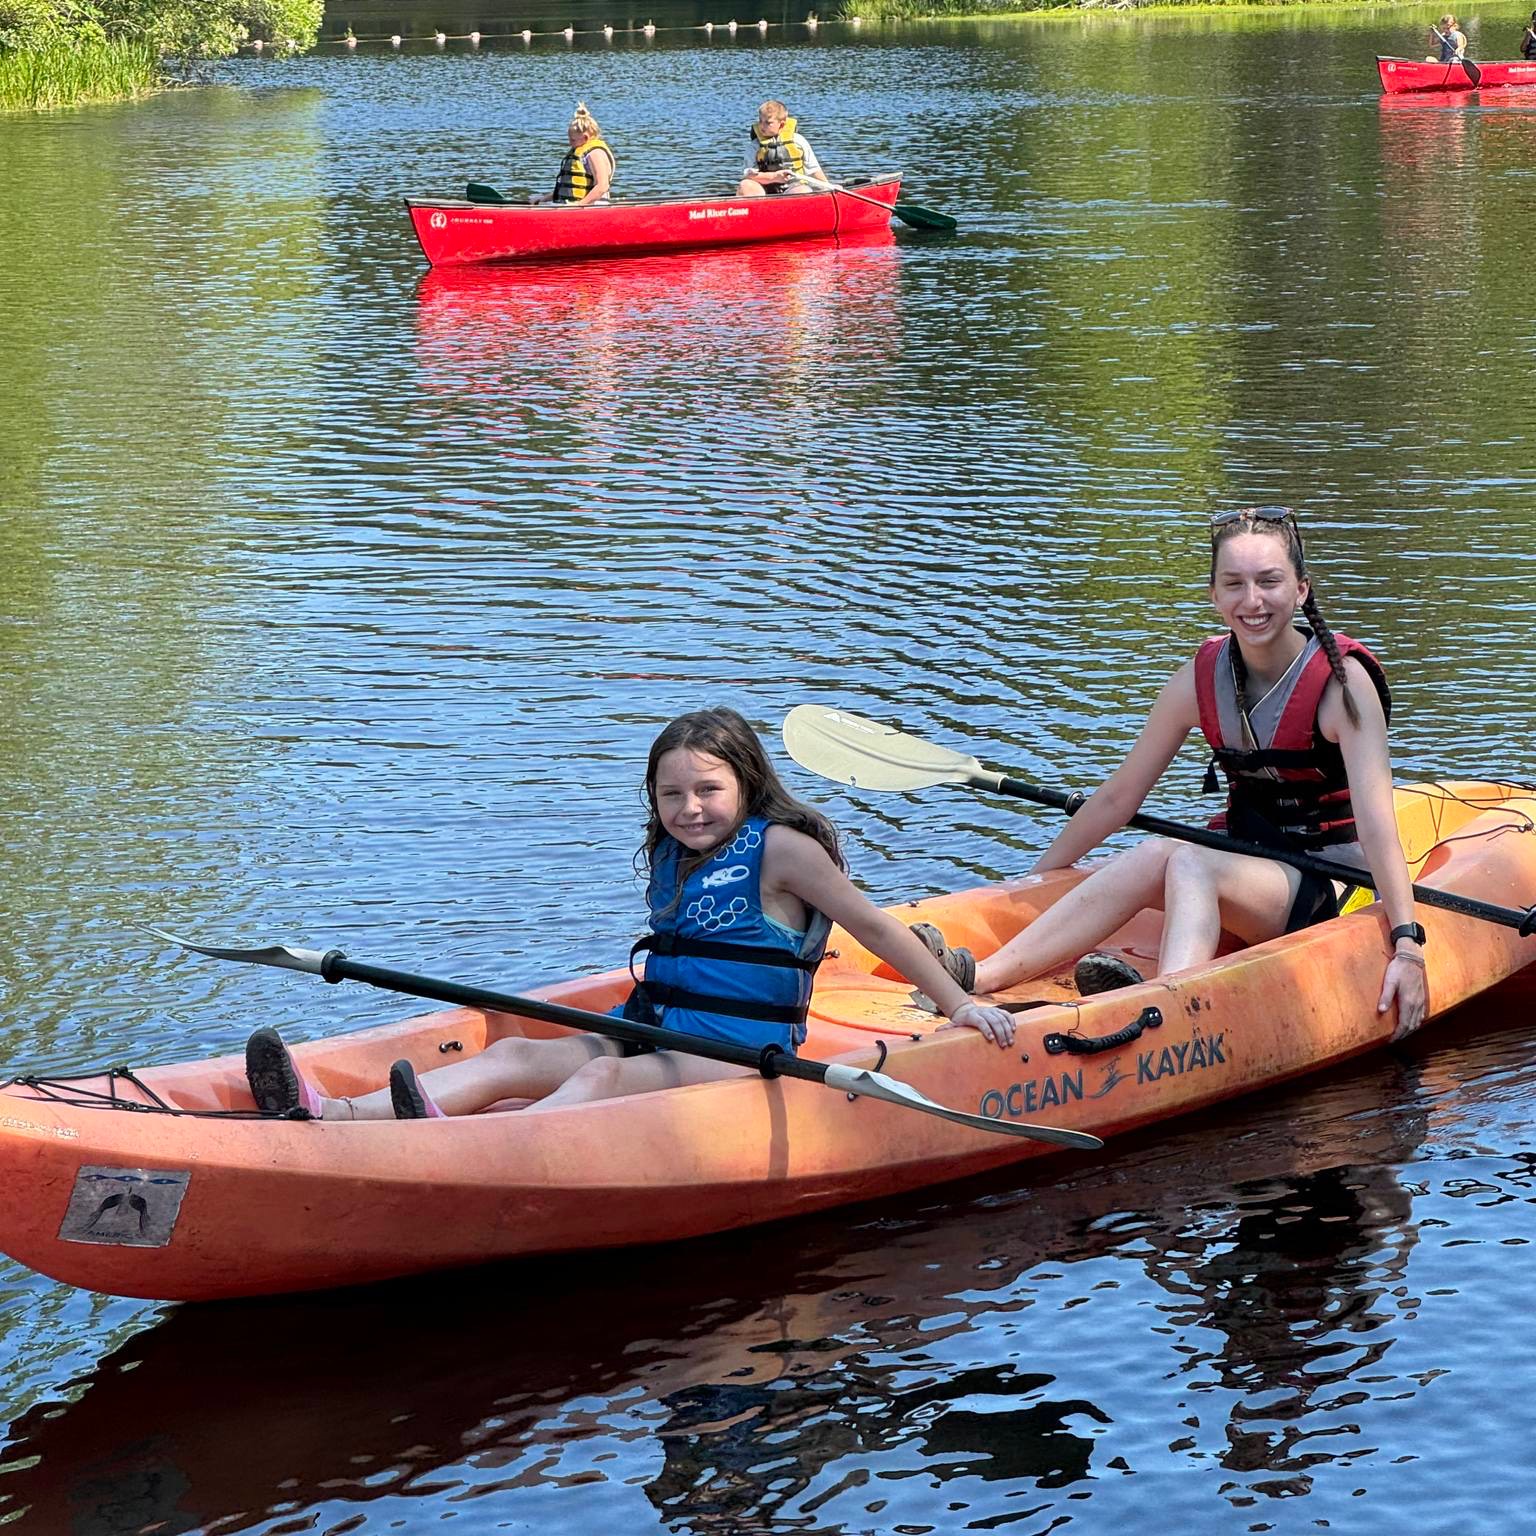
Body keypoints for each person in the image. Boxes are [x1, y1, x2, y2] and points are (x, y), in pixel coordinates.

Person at [245, 707, 1019, 1121]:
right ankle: (333, 1116)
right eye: (671, 793)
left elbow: (877, 927)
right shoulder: (675, 852)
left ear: (745, 784)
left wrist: (959, 1005)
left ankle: (442, 1149)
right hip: (652, 1022)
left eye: (707, 790)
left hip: (737, 1051)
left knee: (592, 1092)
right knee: (513, 1060)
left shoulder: (784, 850)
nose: (689, 809)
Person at [909, 506, 1429, 1042]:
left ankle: (1167, 1009)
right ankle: (982, 976)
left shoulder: (1342, 687)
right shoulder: (1199, 679)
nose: (1252, 601)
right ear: (1214, 595)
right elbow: (1117, 800)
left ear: (1300, 590)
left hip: (1331, 880)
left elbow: (1377, 826)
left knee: (1190, 864)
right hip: (1250, 857)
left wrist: (1407, 945)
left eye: (1269, 582)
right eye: (1234, 584)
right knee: (1159, 851)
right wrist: (1034, 881)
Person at [530, 102, 615, 206]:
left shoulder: (595, 154)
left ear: (585, 138)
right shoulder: (579, 153)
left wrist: (580, 204)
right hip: (572, 205)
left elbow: (602, 186)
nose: (570, 143)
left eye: (573, 140)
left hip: (593, 207)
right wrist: (543, 199)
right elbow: (565, 190)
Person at [737, 101, 823, 197]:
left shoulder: (799, 141)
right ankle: (758, 209)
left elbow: (814, 170)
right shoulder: (754, 146)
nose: (762, 126)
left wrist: (830, 188)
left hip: (793, 187)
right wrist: (774, 177)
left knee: (803, 190)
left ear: (781, 125)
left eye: (768, 123)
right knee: (745, 185)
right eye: (760, 121)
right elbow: (749, 175)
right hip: (764, 189)